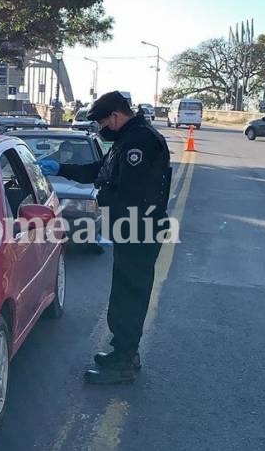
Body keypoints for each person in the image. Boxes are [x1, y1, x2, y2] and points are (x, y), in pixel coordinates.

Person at [37, 91, 172, 384]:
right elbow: (102, 170)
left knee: (130, 294)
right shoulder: (129, 139)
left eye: (102, 123)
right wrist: (62, 168)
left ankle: (123, 362)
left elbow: (129, 191)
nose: (102, 129)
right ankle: (124, 352)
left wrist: (102, 196)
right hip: (135, 227)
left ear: (115, 116)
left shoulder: (139, 142)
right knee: (126, 291)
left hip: (139, 228)